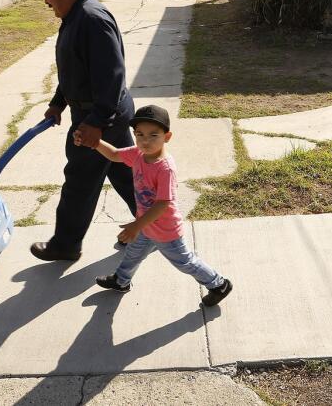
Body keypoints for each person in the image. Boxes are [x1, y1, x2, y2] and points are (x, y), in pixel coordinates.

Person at [30, 0, 137, 262]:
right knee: (127, 175)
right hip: (97, 115)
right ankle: (155, 226)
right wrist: (58, 102)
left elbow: (111, 76)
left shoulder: (91, 19)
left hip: (99, 118)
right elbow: (76, 71)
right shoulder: (76, 17)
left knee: (79, 182)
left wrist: (96, 123)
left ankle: (65, 244)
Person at [81, 104, 233, 307]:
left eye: (153, 135)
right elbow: (115, 154)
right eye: (139, 134)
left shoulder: (165, 168)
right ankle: (121, 281)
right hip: (146, 224)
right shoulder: (137, 154)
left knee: (185, 262)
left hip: (165, 230)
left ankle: (218, 284)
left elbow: (163, 204)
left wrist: (136, 225)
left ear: (167, 136)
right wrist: (95, 142)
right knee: (133, 253)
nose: (145, 140)